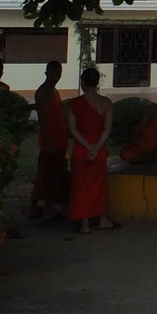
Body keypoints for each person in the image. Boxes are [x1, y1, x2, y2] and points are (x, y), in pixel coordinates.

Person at [67, 68, 118, 234]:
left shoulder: (74, 104)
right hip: (99, 148)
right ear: (97, 83)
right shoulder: (106, 103)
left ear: (82, 82)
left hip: (81, 149)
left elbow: (73, 130)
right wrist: (96, 148)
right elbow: (107, 129)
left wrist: (88, 147)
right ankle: (103, 219)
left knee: (81, 187)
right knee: (100, 186)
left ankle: (85, 224)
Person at [27, 61, 69, 221]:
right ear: (46, 73)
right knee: (46, 174)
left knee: (55, 173)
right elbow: (42, 118)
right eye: (53, 75)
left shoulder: (53, 91)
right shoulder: (43, 91)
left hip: (59, 137)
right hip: (50, 139)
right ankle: (44, 208)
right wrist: (48, 140)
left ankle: (47, 208)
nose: (56, 78)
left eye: (59, 75)